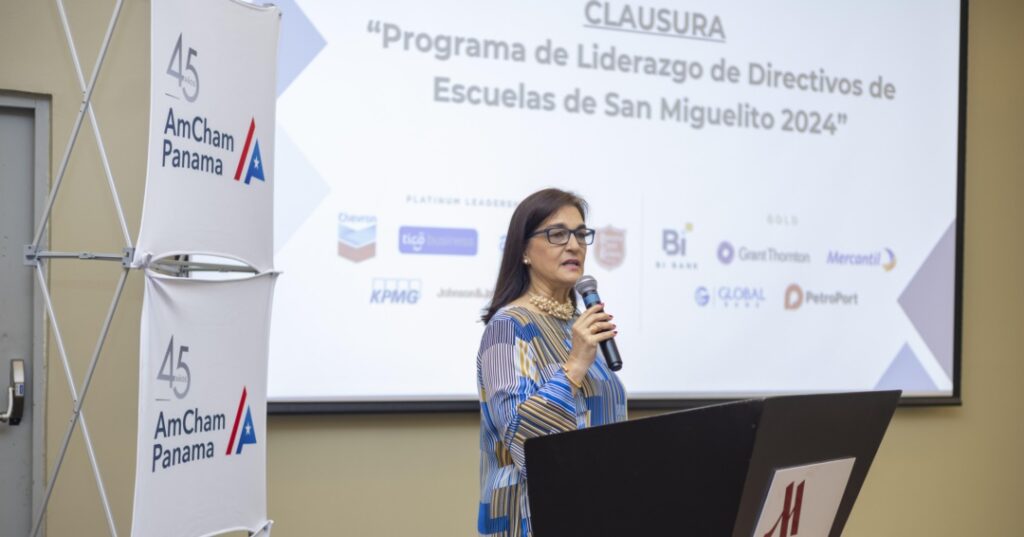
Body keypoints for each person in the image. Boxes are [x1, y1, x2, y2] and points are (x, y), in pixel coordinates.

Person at [476, 188, 628, 537]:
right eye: (557, 234)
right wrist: (574, 366)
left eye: (580, 234)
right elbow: (524, 441)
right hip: (532, 519)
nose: (574, 245)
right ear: (524, 250)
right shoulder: (507, 328)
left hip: (596, 515)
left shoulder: (580, 326)